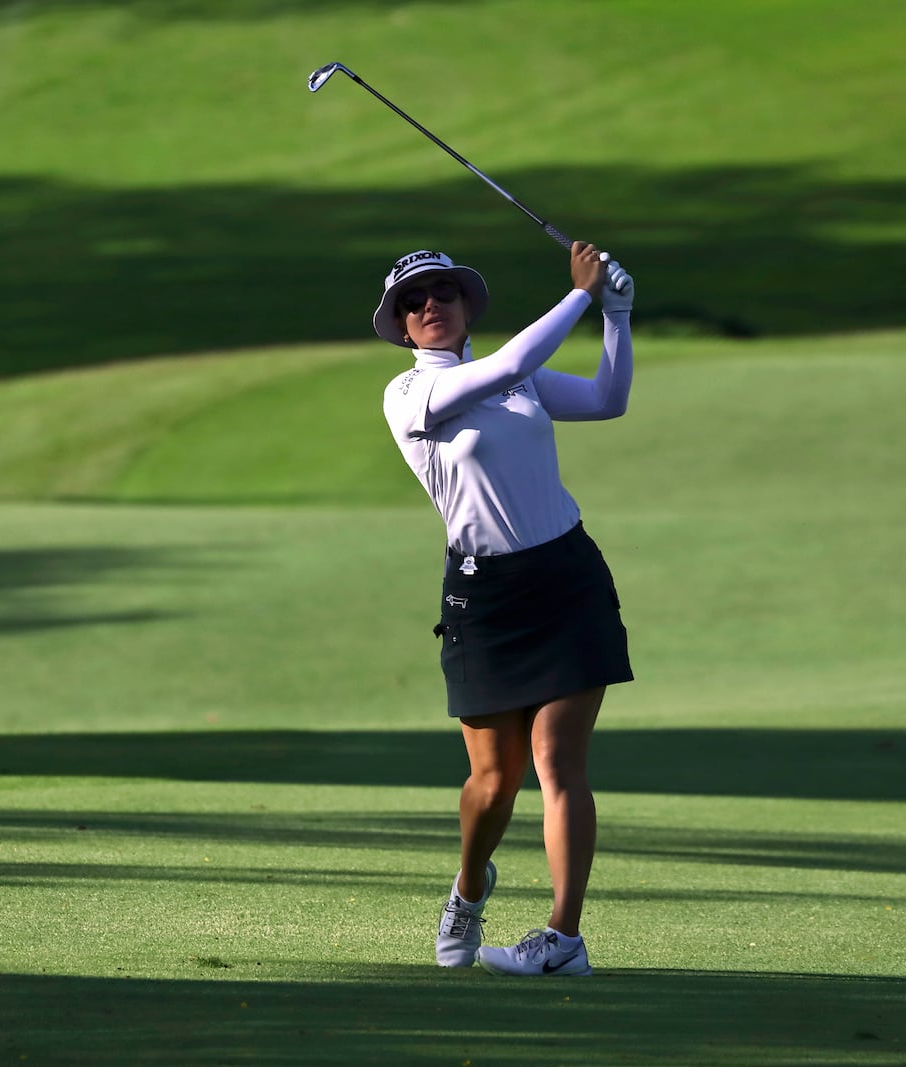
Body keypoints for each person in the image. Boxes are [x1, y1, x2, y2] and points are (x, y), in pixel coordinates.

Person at [377, 241, 635, 977]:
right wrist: (582, 295)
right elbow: (514, 362)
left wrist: (616, 313)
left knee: (559, 763)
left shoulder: (517, 384)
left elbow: (605, 399)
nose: (431, 306)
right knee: (495, 782)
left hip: (566, 576)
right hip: (485, 596)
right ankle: (468, 886)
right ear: (401, 326)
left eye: (443, 293)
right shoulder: (408, 396)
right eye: (413, 302)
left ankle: (564, 937)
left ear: (465, 306)